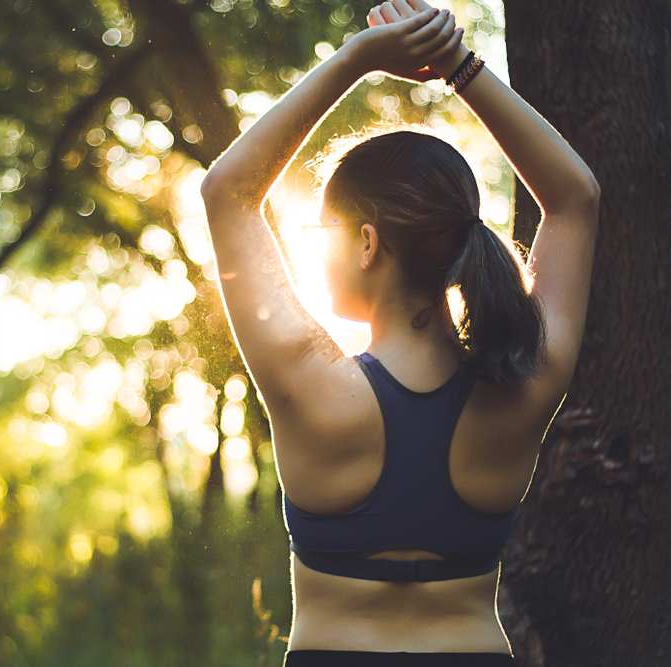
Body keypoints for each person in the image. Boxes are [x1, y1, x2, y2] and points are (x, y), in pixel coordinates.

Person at [200, 0, 599, 664]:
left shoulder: (309, 380)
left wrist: (359, 59)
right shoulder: (525, 381)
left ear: (365, 242)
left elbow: (227, 191)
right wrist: (461, 68)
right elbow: (575, 197)